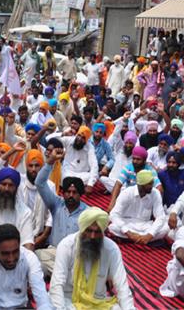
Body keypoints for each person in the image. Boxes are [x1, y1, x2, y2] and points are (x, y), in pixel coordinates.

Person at [49, 207, 136, 310]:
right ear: (82, 229)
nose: (93, 236)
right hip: (69, 300)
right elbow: (57, 283)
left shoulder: (111, 249)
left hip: (98, 302)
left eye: (97, 232)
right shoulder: (66, 246)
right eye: (89, 230)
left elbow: (122, 286)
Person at [0, 224, 53, 310]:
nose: (11, 258)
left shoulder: (29, 258)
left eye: (15, 252)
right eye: (5, 253)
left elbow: (43, 300)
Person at [34, 147, 88, 276]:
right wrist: (50, 162)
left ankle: (61, 275)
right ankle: (64, 275)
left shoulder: (87, 213)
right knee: (35, 257)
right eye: (68, 192)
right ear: (63, 194)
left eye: (74, 192)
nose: (70, 195)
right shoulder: (56, 204)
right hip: (54, 252)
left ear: (80, 194)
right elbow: (39, 183)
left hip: (75, 256)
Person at [109, 170, 167, 244]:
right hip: (127, 223)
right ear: (140, 185)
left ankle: (137, 239)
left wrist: (150, 235)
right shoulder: (127, 193)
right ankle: (142, 240)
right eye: (149, 184)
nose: (151, 186)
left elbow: (160, 217)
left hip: (145, 226)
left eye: (152, 183)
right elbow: (114, 214)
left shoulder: (155, 193)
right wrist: (128, 233)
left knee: (165, 228)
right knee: (113, 227)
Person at [47, 126, 98, 194]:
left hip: (81, 176)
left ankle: (68, 185)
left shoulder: (90, 147)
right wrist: (63, 134)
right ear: (76, 134)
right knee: (57, 171)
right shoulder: (69, 140)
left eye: (83, 138)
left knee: (94, 176)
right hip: (66, 173)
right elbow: (48, 139)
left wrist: (90, 185)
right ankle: (77, 186)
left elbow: (94, 165)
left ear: (86, 141)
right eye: (79, 135)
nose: (79, 139)